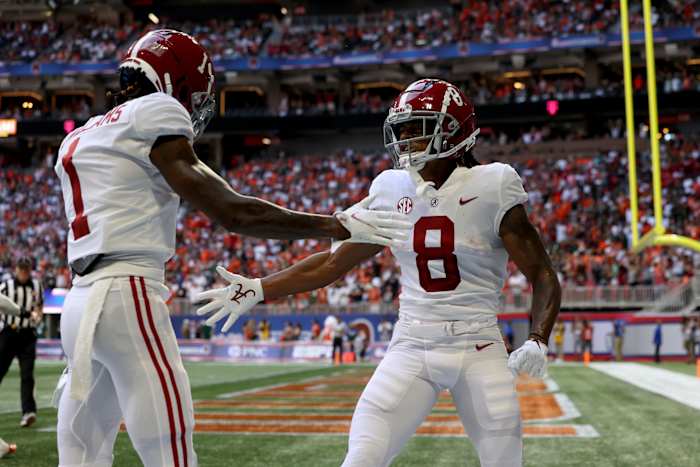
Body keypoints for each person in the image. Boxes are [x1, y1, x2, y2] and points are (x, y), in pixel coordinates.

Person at [53, 29, 410, 467]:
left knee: (82, 456)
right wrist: (335, 225)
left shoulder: (81, 135)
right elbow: (233, 212)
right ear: (176, 82)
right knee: (171, 450)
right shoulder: (155, 112)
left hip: (79, 303)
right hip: (126, 295)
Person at [197, 79, 561, 467]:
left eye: (416, 126)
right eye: (400, 128)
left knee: (504, 460)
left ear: (454, 130)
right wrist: (258, 288)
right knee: (361, 458)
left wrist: (539, 338)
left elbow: (542, 273)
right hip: (411, 343)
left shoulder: (494, 184)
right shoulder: (391, 188)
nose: (404, 137)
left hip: (478, 345)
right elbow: (333, 262)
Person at [0, 257, 44, 428]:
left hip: (27, 335)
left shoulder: (37, 285)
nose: (24, 273)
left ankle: (28, 412)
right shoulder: (6, 286)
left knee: (27, 375)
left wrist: (38, 317)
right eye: (21, 269)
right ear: (16, 269)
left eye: (27, 269)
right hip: (9, 333)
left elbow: (39, 306)